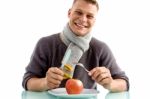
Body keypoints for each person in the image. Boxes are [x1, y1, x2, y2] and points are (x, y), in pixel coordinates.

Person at [22, 0, 129, 92]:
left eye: (90, 16)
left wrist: (110, 84)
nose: (83, 19)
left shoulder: (100, 48)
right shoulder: (45, 44)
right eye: (78, 12)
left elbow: (124, 83)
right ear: (69, 13)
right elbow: (27, 81)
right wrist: (45, 83)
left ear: (94, 21)